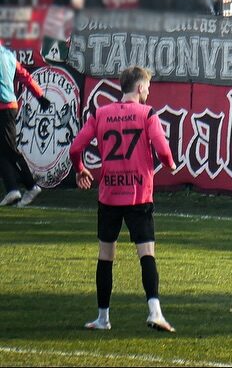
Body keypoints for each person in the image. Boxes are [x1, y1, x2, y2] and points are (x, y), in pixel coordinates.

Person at [68, 65, 178, 332]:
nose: (149, 92)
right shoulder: (147, 114)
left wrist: (81, 169)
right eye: (148, 87)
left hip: (109, 195)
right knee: (146, 253)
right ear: (139, 87)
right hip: (139, 195)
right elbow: (162, 149)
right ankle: (155, 312)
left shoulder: (101, 113)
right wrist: (171, 164)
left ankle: (103, 318)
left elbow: (75, 148)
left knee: (106, 256)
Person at [1, 38, 52, 206]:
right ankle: (12, 189)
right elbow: (24, 75)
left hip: (4, 107)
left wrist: (40, 96)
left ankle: (31, 186)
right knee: (3, 151)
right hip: (9, 106)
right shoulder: (8, 55)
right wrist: (40, 96)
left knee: (9, 150)